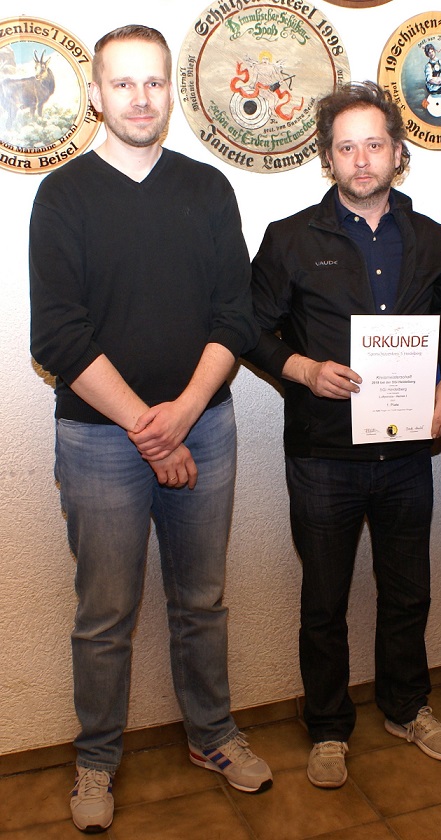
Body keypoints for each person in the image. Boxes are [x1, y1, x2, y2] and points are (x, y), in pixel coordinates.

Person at [29, 25, 271, 834]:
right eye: (123, 83)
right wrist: (149, 428)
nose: (140, 98)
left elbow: (235, 315)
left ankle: (212, 735)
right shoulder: (63, 196)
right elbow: (57, 336)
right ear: (97, 96)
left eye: (154, 82)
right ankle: (97, 758)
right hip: (99, 440)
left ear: (172, 92)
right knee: (104, 614)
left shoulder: (207, 189)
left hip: (205, 424)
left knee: (202, 599)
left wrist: (186, 414)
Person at [245, 81, 441, 788]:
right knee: (324, 601)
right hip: (323, 457)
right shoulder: (288, 238)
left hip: (406, 455)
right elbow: (251, 330)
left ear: (398, 152)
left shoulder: (432, 238)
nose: (362, 158)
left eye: (374, 144)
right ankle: (327, 727)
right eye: (346, 147)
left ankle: (407, 707)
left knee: (408, 591)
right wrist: (304, 370)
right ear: (327, 158)